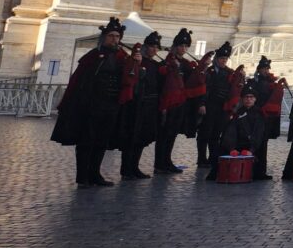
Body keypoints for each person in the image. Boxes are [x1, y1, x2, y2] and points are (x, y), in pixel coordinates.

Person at [52, 17, 138, 188]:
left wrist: (136, 63)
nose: (114, 39)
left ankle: (95, 174)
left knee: (102, 141)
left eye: (117, 36)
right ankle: (83, 177)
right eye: (111, 36)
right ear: (104, 37)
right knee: (86, 140)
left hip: (111, 105)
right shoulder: (92, 56)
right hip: (91, 106)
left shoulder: (123, 57)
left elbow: (131, 79)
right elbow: (78, 81)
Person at [155, 28, 202, 174]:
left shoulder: (187, 64)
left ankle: (167, 160)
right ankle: (159, 163)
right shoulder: (166, 62)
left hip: (181, 104)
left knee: (172, 134)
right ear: (175, 47)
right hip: (167, 103)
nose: (183, 49)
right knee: (163, 134)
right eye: (181, 46)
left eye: (186, 46)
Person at [119, 31, 163, 180]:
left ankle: (135, 167)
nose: (154, 50)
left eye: (156, 47)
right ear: (146, 47)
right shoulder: (137, 61)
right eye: (152, 47)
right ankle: (126, 169)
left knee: (142, 138)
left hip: (150, 105)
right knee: (132, 137)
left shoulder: (156, 65)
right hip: (137, 105)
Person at [208, 82, 266, 181]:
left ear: (255, 99)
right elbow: (230, 132)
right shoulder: (236, 113)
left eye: (251, 97)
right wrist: (231, 148)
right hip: (236, 144)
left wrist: (251, 150)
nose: (248, 99)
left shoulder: (259, 114)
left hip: (251, 146)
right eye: (246, 97)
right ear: (242, 99)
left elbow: (258, 134)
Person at [196, 41, 234, 169]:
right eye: (222, 58)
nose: (224, 61)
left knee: (216, 134)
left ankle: (213, 157)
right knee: (204, 134)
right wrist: (202, 104)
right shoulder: (209, 71)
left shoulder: (230, 72)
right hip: (209, 105)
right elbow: (203, 88)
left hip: (222, 107)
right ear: (216, 59)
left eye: (225, 58)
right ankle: (201, 158)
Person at [251, 55, 286, 181]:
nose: (266, 71)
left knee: (263, 144)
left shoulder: (271, 82)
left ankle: (261, 170)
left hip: (266, 118)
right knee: (255, 142)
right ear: (259, 69)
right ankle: (254, 169)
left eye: (267, 68)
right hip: (257, 115)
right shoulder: (255, 82)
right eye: (263, 68)